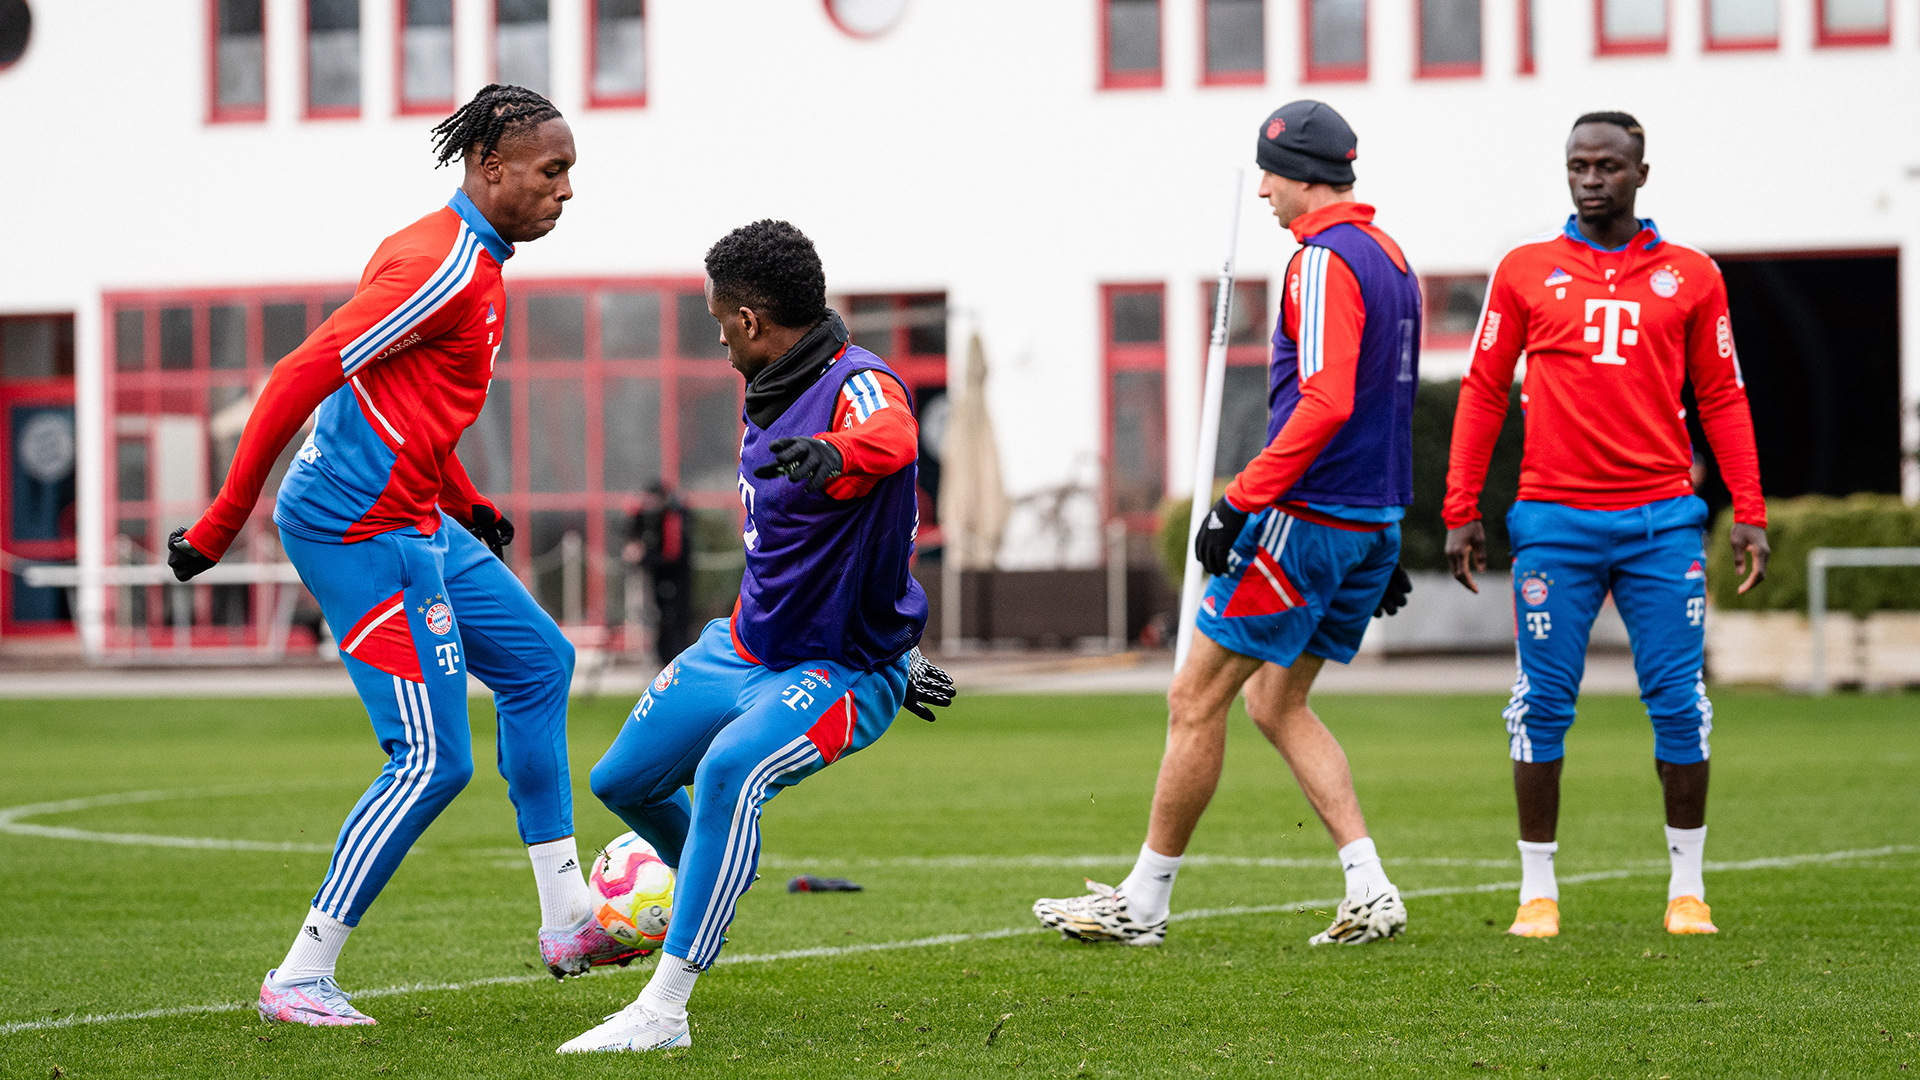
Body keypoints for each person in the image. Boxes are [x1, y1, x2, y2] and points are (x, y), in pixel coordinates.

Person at [167, 85, 636, 1027]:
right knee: (431, 760)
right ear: (490, 168)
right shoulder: (443, 266)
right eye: (554, 171)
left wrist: (465, 500)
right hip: (355, 530)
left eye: (571, 172)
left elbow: (408, 402)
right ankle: (300, 974)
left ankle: (567, 914)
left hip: (420, 517)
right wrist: (221, 522)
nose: (568, 190)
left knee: (543, 665)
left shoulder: (478, 263)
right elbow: (302, 374)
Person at [559, 220, 953, 1054]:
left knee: (730, 772)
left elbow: (894, 438)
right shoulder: (771, 380)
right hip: (740, 644)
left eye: (716, 325)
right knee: (621, 780)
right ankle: (714, 876)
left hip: (838, 669)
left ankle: (665, 1012)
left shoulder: (859, 380)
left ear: (748, 322)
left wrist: (835, 451)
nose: (718, 343)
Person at [1033, 100, 1418, 950]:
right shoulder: (1393, 257)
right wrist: (1389, 524)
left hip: (1309, 518)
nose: (1265, 195)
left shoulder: (1320, 260)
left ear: (1304, 174)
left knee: (1194, 697)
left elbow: (1328, 401)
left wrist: (1239, 498)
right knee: (1276, 702)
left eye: (1271, 177)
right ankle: (1370, 884)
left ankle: (1144, 900)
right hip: (1367, 521)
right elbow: (1393, 406)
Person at [1443, 112, 1770, 940]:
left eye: (1608, 167)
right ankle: (1537, 892)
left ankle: (1687, 890)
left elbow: (1723, 396)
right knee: (1540, 703)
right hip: (1554, 522)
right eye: (1578, 166)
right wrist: (1461, 509)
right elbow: (1483, 389)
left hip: (1662, 523)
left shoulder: (1693, 276)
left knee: (1679, 703)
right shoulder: (1523, 270)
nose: (1591, 179)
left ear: (1641, 175)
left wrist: (1749, 512)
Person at [624, 480, 694, 663]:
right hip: (660, 583)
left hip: (675, 584)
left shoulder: (672, 518)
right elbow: (634, 528)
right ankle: (664, 665)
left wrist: (643, 557)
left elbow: (673, 556)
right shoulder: (651, 519)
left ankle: (676, 668)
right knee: (662, 626)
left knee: (674, 629)